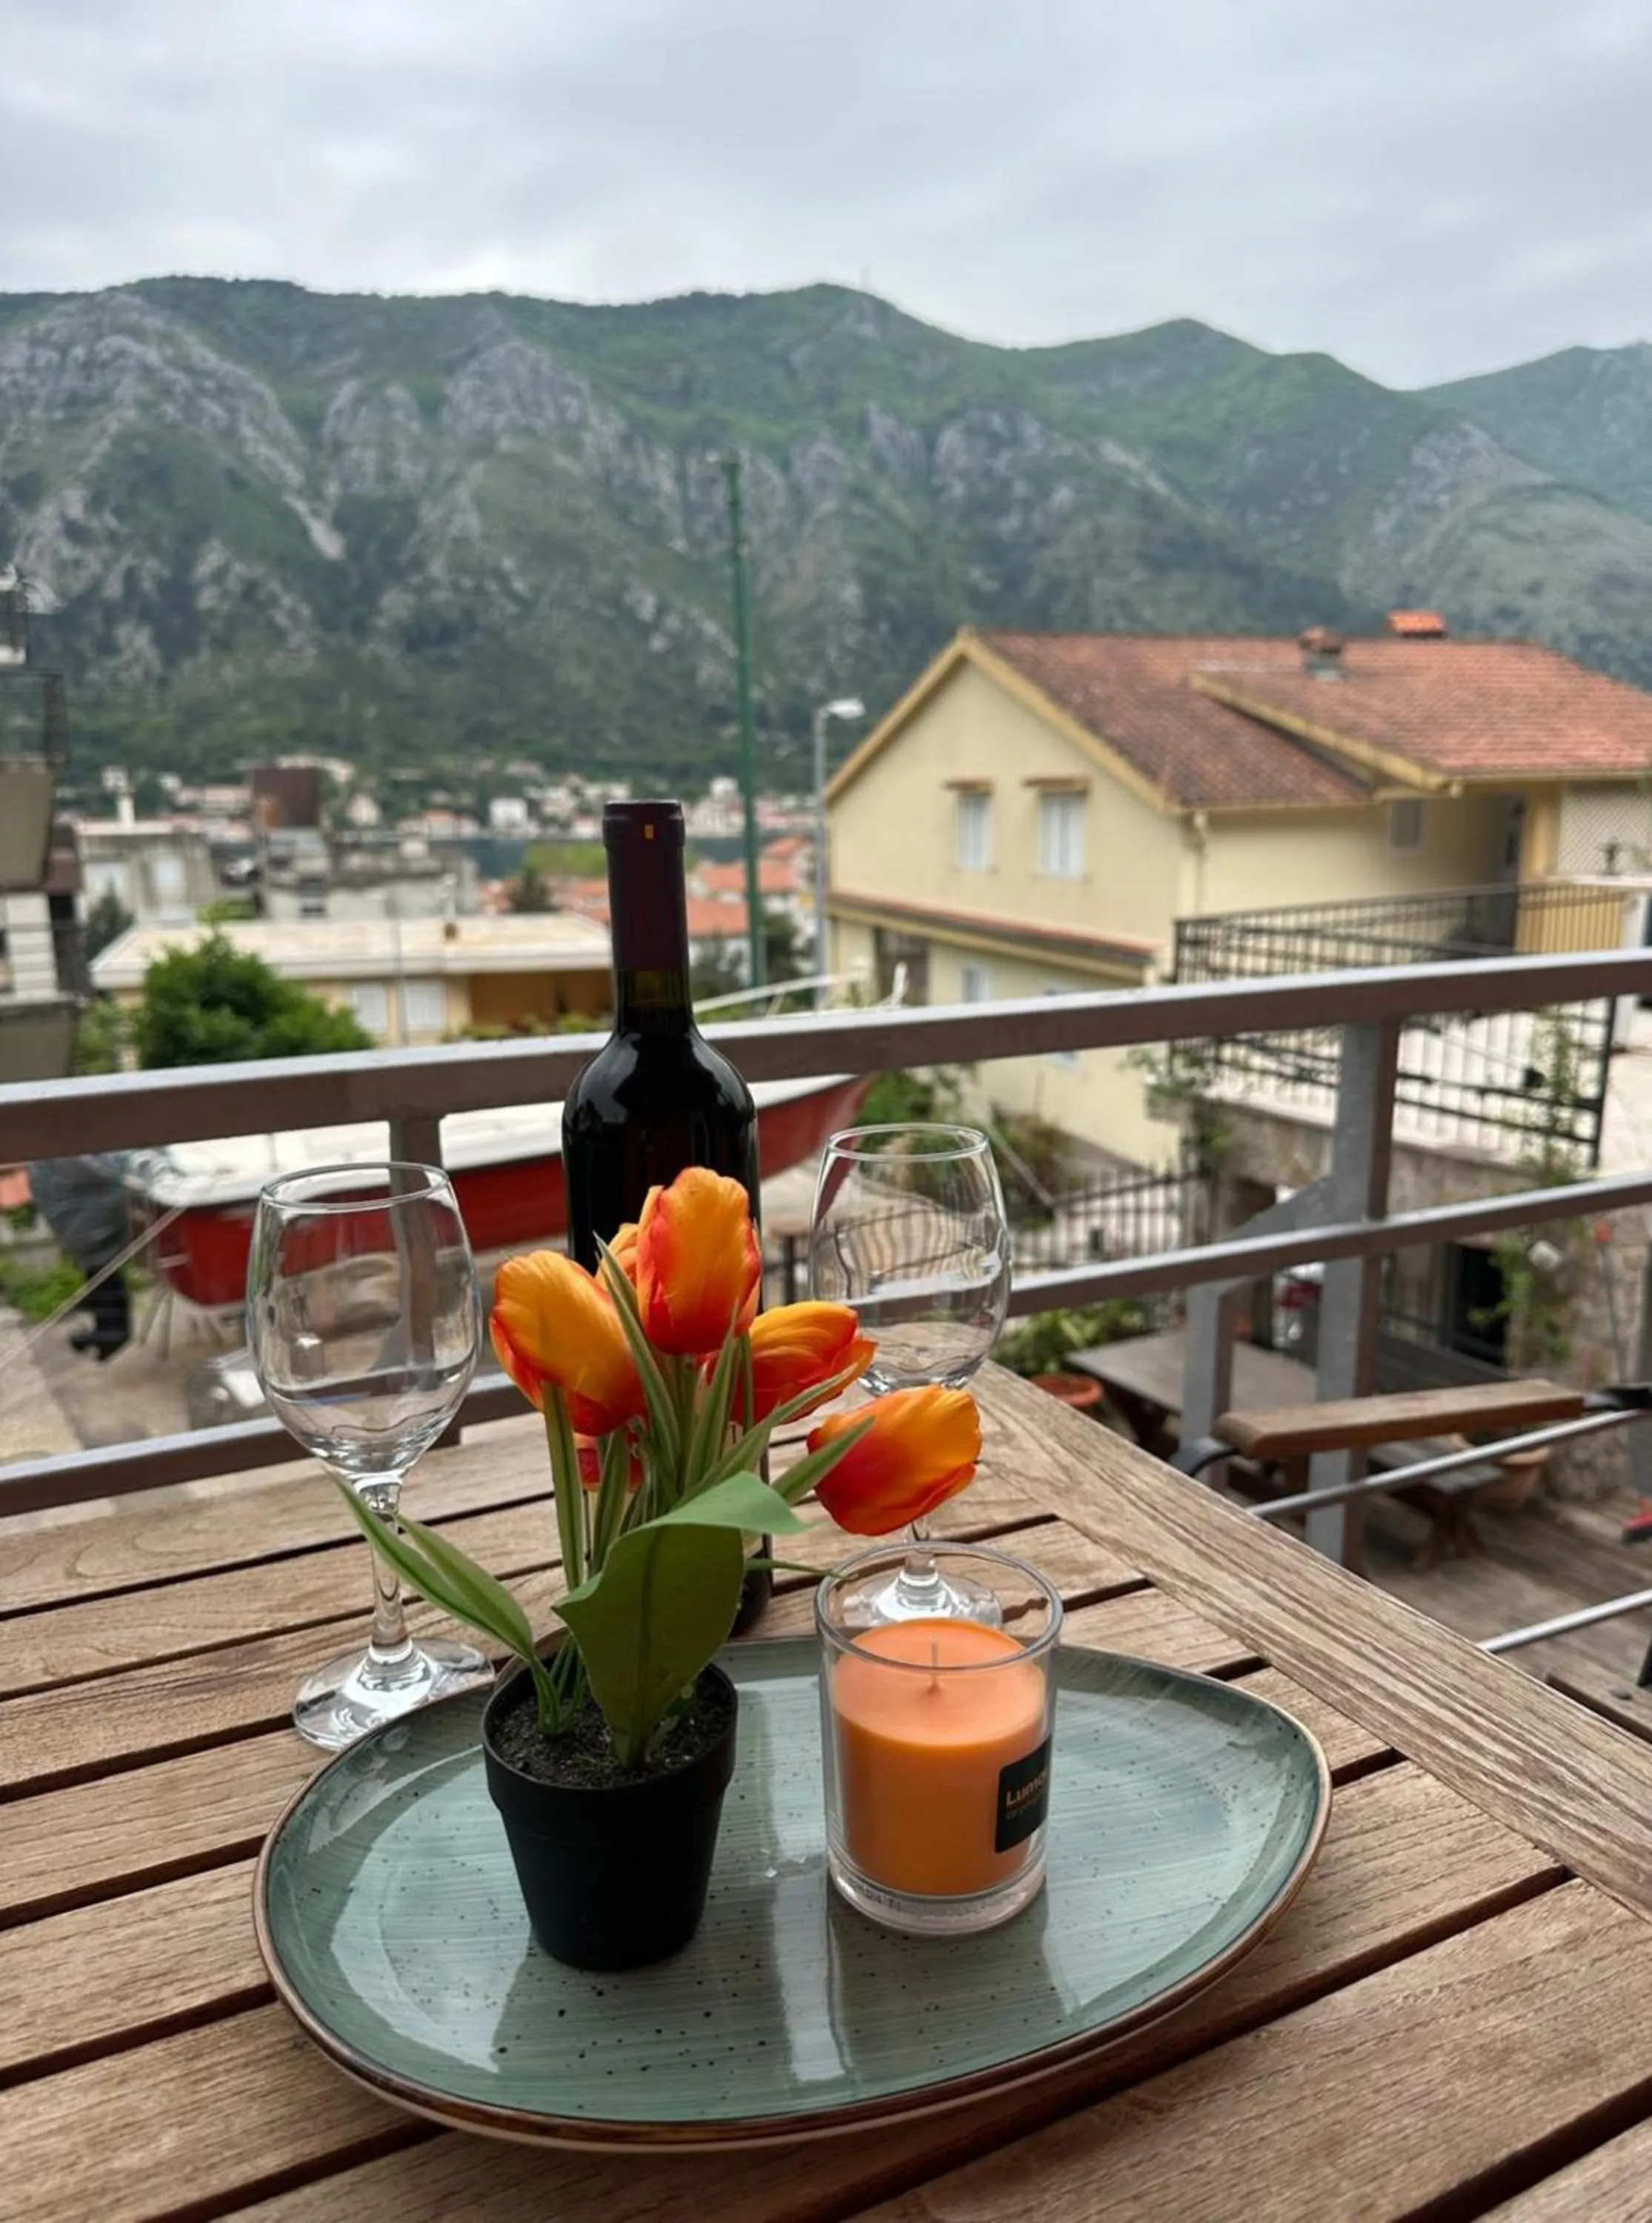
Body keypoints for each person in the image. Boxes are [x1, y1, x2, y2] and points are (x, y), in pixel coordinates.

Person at [25, 1154, 134, 1360]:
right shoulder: (66, 1146)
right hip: (82, 1206)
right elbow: (101, 1169)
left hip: (79, 1204)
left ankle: (109, 1334)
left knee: (102, 1271)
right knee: (102, 1271)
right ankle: (110, 1335)